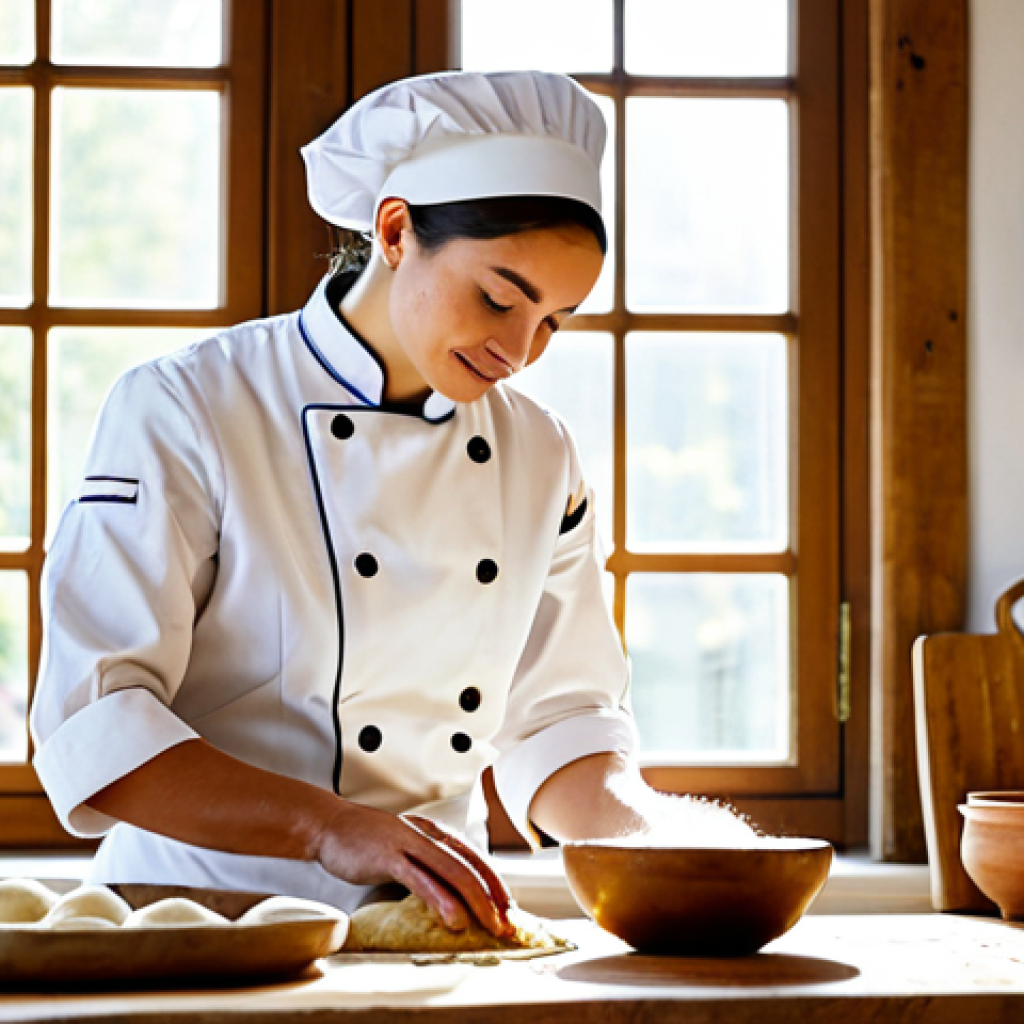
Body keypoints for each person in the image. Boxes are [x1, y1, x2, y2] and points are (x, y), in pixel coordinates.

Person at [30, 69, 752, 937]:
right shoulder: (190, 406)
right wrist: (331, 828)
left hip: (430, 930)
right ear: (396, 229)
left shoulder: (539, 452)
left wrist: (695, 846)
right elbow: (96, 724)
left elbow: (562, 731)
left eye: (555, 321)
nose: (521, 350)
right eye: (498, 297)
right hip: (194, 923)